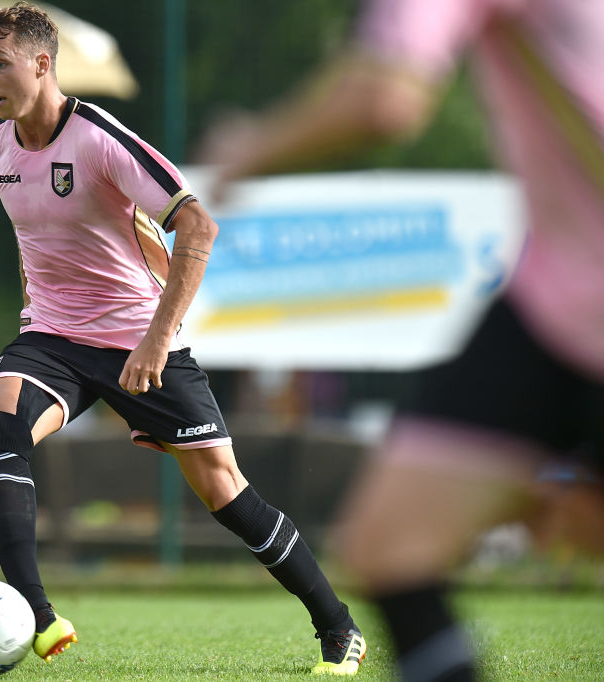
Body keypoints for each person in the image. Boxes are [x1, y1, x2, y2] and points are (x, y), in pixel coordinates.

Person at [197, 1, 604, 680]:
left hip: (579, 301)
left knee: (396, 545)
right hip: (557, 303)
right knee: (393, 543)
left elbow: (384, 99)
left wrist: (249, 149)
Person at [0, 3, 365, 673]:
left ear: (42, 64)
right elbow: (34, 240)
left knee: (224, 492)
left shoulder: (97, 139)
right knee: (1, 419)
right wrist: (39, 313)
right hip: (53, 338)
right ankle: (36, 616)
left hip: (139, 335)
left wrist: (156, 341)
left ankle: (338, 625)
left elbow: (199, 226)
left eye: (0, 63)